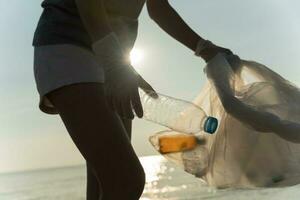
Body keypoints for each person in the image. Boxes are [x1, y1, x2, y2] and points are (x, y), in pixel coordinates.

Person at [32, 0, 234, 199]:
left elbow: (158, 8)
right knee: (126, 180)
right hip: (70, 44)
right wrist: (114, 64)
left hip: (115, 56)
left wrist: (204, 48)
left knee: (106, 183)